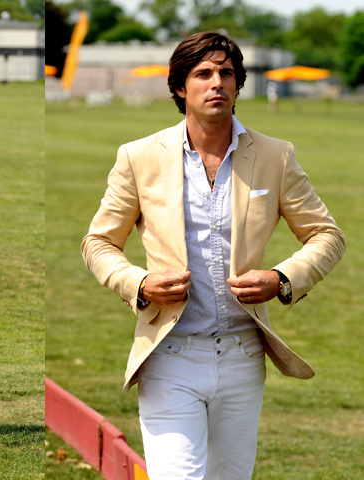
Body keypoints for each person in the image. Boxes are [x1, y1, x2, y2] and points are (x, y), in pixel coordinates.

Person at [81, 32, 344, 479]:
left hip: (244, 356)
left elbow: (327, 235)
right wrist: (138, 284)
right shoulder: (138, 157)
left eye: (226, 73)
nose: (217, 82)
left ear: (238, 84)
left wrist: (281, 278)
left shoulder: (276, 156)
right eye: (203, 73)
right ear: (180, 87)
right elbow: (98, 242)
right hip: (169, 355)